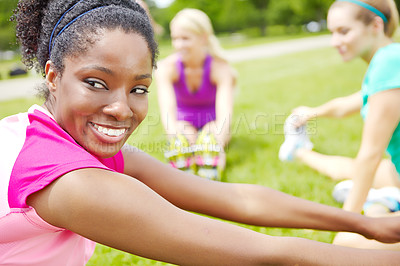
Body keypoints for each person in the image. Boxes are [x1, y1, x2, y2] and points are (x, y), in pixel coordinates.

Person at [3, 1, 400, 265]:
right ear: (53, 76)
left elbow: (239, 198)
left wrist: (366, 225)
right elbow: (266, 253)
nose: (122, 108)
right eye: (95, 82)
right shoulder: (69, 179)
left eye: (139, 88)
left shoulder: (57, 139)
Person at [278, 0, 400, 249]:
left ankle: (379, 207)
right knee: (346, 169)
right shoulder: (389, 59)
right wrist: (311, 113)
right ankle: (299, 150)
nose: (335, 41)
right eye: (332, 32)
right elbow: (348, 104)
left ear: (375, 25)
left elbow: (370, 156)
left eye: (343, 31)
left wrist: (347, 224)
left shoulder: (390, 63)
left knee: (348, 247)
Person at [155, 8, 236, 180]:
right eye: (175, 38)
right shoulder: (167, 68)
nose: (178, 45)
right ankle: (184, 172)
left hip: (213, 121)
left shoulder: (220, 68)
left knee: (209, 139)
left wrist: (217, 143)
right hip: (184, 121)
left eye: (185, 38)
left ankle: (211, 174)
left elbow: (225, 114)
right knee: (185, 138)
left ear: (203, 38)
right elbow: (167, 112)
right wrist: (177, 139)